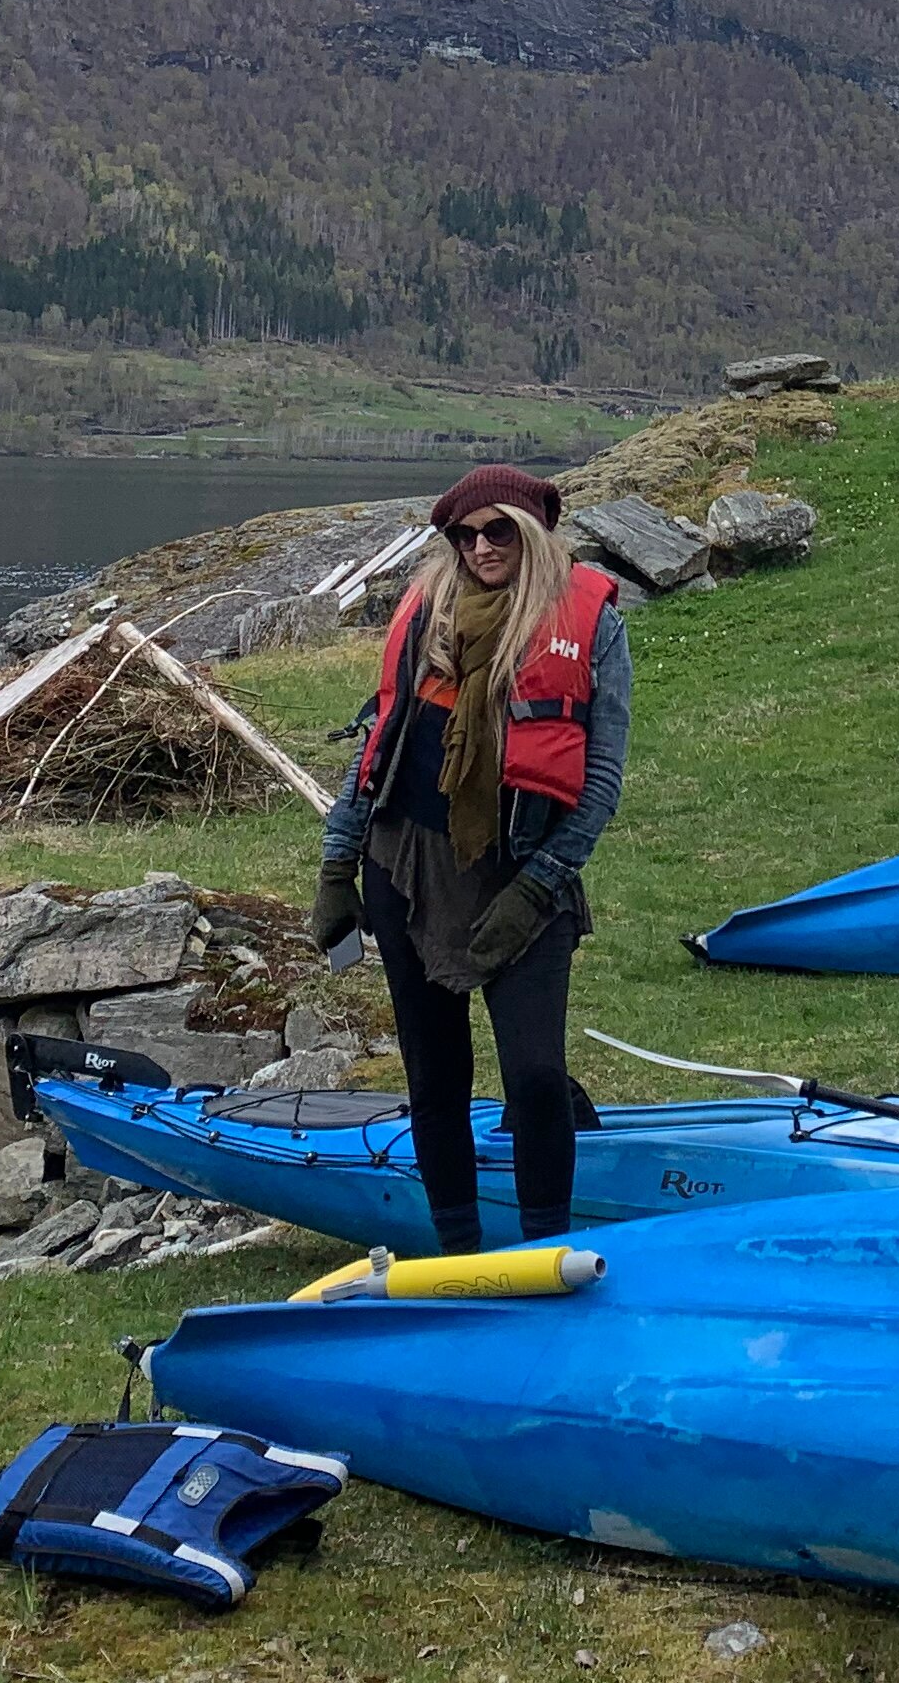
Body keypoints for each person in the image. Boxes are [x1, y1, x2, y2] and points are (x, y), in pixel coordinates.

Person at [310, 462, 632, 1250]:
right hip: (407, 870)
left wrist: (539, 889)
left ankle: (546, 1252)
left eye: (499, 531)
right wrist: (335, 870)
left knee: (534, 1077)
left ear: (533, 533)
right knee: (435, 1079)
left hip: (522, 875)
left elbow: (599, 781)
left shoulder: (591, 624)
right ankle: (458, 1250)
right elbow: (378, 750)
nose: (482, 547)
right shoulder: (429, 615)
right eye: (466, 535)